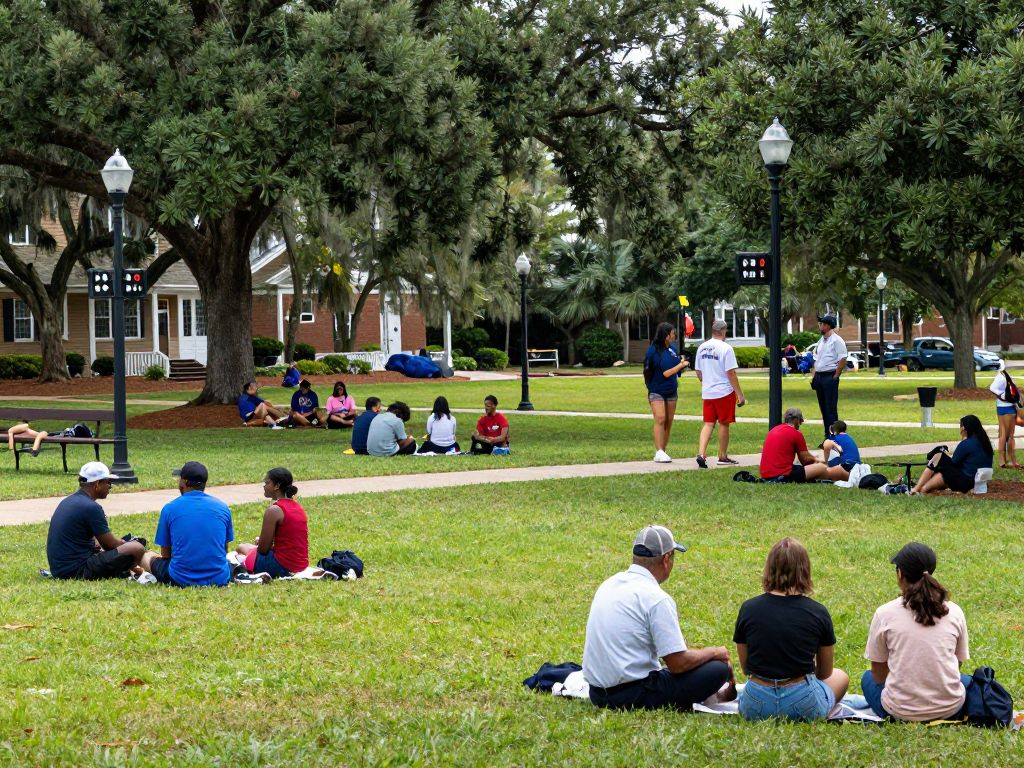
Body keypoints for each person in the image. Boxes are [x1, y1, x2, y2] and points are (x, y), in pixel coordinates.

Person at [583, 525, 735, 710]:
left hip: (596, 693)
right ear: (666, 559)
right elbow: (678, 664)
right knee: (718, 669)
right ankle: (714, 694)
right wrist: (715, 652)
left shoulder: (608, 584)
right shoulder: (656, 598)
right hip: (633, 695)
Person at [733, 538, 848, 722]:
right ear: (805, 569)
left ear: (769, 568)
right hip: (802, 702)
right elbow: (825, 673)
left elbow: (747, 668)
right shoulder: (818, 612)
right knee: (840, 676)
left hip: (755, 703)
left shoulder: (748, 608)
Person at [861, 542, 971, 722]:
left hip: (899, 711)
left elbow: (878, 675)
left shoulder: (884, 613)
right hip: (951, 708)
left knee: (867, 678)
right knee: (965, 680)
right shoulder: (955, 612)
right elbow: (957, 664)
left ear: (900, 573)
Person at [45, 462, 151, 580]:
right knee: (136, 548)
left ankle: (131, 569)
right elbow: (110, 545)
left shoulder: (70, 500)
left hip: (60, 569)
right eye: (108, 482)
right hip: (76, 571)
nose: (110, 486)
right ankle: (134, 570)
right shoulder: (91, 507)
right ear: (97, 484)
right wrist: (127, 544)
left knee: (127, 546)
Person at [144, 461, 234, 587]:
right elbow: (224, 550)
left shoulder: (170, 508)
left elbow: (165, 555)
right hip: (219, 578)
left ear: (184, 482)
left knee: (147, 556)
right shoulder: (223, 507)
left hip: (180, 578)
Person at [235, 467, 309, 578]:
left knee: (241, 547)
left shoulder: (274, 510)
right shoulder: (298, 507)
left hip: (282, 566)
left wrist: (262, 542)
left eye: (267, 482)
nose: (264, 486)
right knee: (248, 548)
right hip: (301, 565)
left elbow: (262, 550)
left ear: (277, 486)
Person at [694, 319, 745, 468]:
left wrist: (705, 382)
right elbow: (731, 373)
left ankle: (701, 454)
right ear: (723, 331)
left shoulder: (702, 347)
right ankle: (722, 456)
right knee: (724, 423)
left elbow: (698, 371)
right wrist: (739, 394)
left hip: (708, 392)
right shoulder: (726, 348)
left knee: (708, 423)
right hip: (724, 391)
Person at [909, 415, 993, 495]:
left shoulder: (967, 443)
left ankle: (918, 488)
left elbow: (954, 461)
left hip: (966, 482)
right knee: (942, 464)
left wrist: (943, 454)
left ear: (963, 428)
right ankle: (923, 487)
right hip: (980, 482)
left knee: (938, 457)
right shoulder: (985, 443)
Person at [644, 322, 689, 463]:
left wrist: (680, 361)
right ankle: (659, 451)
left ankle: (662, 451)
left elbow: (674, 366)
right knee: (660, 418)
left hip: (671, 389)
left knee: (668, 421)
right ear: (666, 335)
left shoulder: (672, 349)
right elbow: (666, 373)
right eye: (673, 333)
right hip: (656, 389)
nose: (675, 335)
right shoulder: (653, 350)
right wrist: (681, 365)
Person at [758, 407, 829, 482]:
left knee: (799, 467)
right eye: (801, 421)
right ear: (796, 420)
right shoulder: (796, 433)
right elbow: (805, 460)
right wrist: (816, 459)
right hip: (782, 476)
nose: (800, 424)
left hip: (765, 475)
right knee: (821, 467)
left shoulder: (774, 429)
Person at [810, 314, 847, 443]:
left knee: (830, 408)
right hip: (819, 376)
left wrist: (836, 375)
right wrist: (814, 376)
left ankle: (834, 437)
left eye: (824, 324)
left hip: (829, 375)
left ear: (829, 326)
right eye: (821, 324)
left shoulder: (837, 340)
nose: (821, 326)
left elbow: (842, 358)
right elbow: (817, 358)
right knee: (823, 408)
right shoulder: (821, 340)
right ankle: (827, 436)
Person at [989, 369, 1021, 468]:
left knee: (1002, 435)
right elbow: (992, 388)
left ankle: (1002, 460)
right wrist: (1003, 395)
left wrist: (1000, 395)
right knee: (1010, 436)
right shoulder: (1003, 377)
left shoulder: (999, 376)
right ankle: (1012, 460)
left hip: (1000, 408)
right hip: (1009, 408)